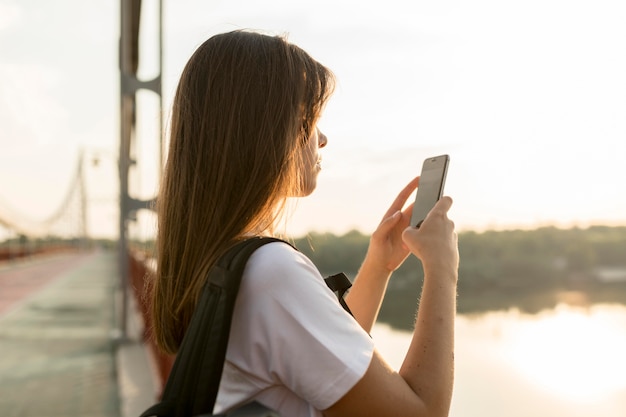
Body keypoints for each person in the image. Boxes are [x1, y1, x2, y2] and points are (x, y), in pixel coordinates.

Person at [151, 29, 459, 417]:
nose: (322, 138)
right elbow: (422, 413)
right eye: (308, 118)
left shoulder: (221, 256)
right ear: (266, 132)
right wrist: (442, 268)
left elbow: (321, 356)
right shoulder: (270, 271)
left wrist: (379, 265)